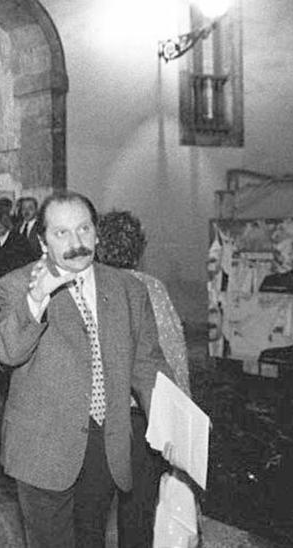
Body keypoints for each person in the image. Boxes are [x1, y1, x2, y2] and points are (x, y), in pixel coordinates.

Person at [0, 191, 173, 548]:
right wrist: (37, 299)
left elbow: (148, 364)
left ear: (97, 232)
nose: (76, 243)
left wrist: (175, 422)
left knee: (91, 539)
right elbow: (8, 352)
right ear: (43, 241)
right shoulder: (16, 285)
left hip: (106, 445)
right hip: (42, 448)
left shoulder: (128, 289)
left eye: (84, 229)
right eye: (61, 233)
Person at [95, 210, 192, 547]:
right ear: (139, 248)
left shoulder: (90, 286)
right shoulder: (152, 288)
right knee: (138, 513)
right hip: (143, 420)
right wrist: (181, 422)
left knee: (90, 514)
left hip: (96, 421)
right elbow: (173, 356)